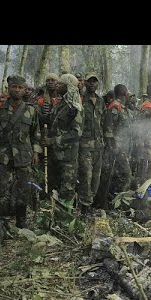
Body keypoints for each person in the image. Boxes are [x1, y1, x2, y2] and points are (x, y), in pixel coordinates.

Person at [0, 75, 41, 228]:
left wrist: (36, 152)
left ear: (24, 90)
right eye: (14, 87)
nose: (17, 90)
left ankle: (21, 221)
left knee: (24, 189)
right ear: (9, 88)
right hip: (4, 155)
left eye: (20, 87)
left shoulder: (31, 110)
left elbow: (36, 134)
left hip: (24, 156)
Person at [41, 74, 82, 203]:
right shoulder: (61, 104)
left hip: (67, 157)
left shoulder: (75, 107)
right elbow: (51, 121)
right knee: (53, 187)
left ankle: (64, 218)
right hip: (55, 155)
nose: (57, 86)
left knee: (66, 190)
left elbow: (76, 134)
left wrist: (52, 141)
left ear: (67, 87)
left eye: (60, 84)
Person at [77, 72, 105, 215]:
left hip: (98, 146)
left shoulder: (100, 101)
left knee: (96, 178)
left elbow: (103, 122)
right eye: (90, 81)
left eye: (95, 81)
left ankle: (90, 203)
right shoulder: (80, 100)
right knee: (85, 177)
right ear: (85, 83)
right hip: (84, 146)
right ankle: (84, 207)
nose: (92, 83)